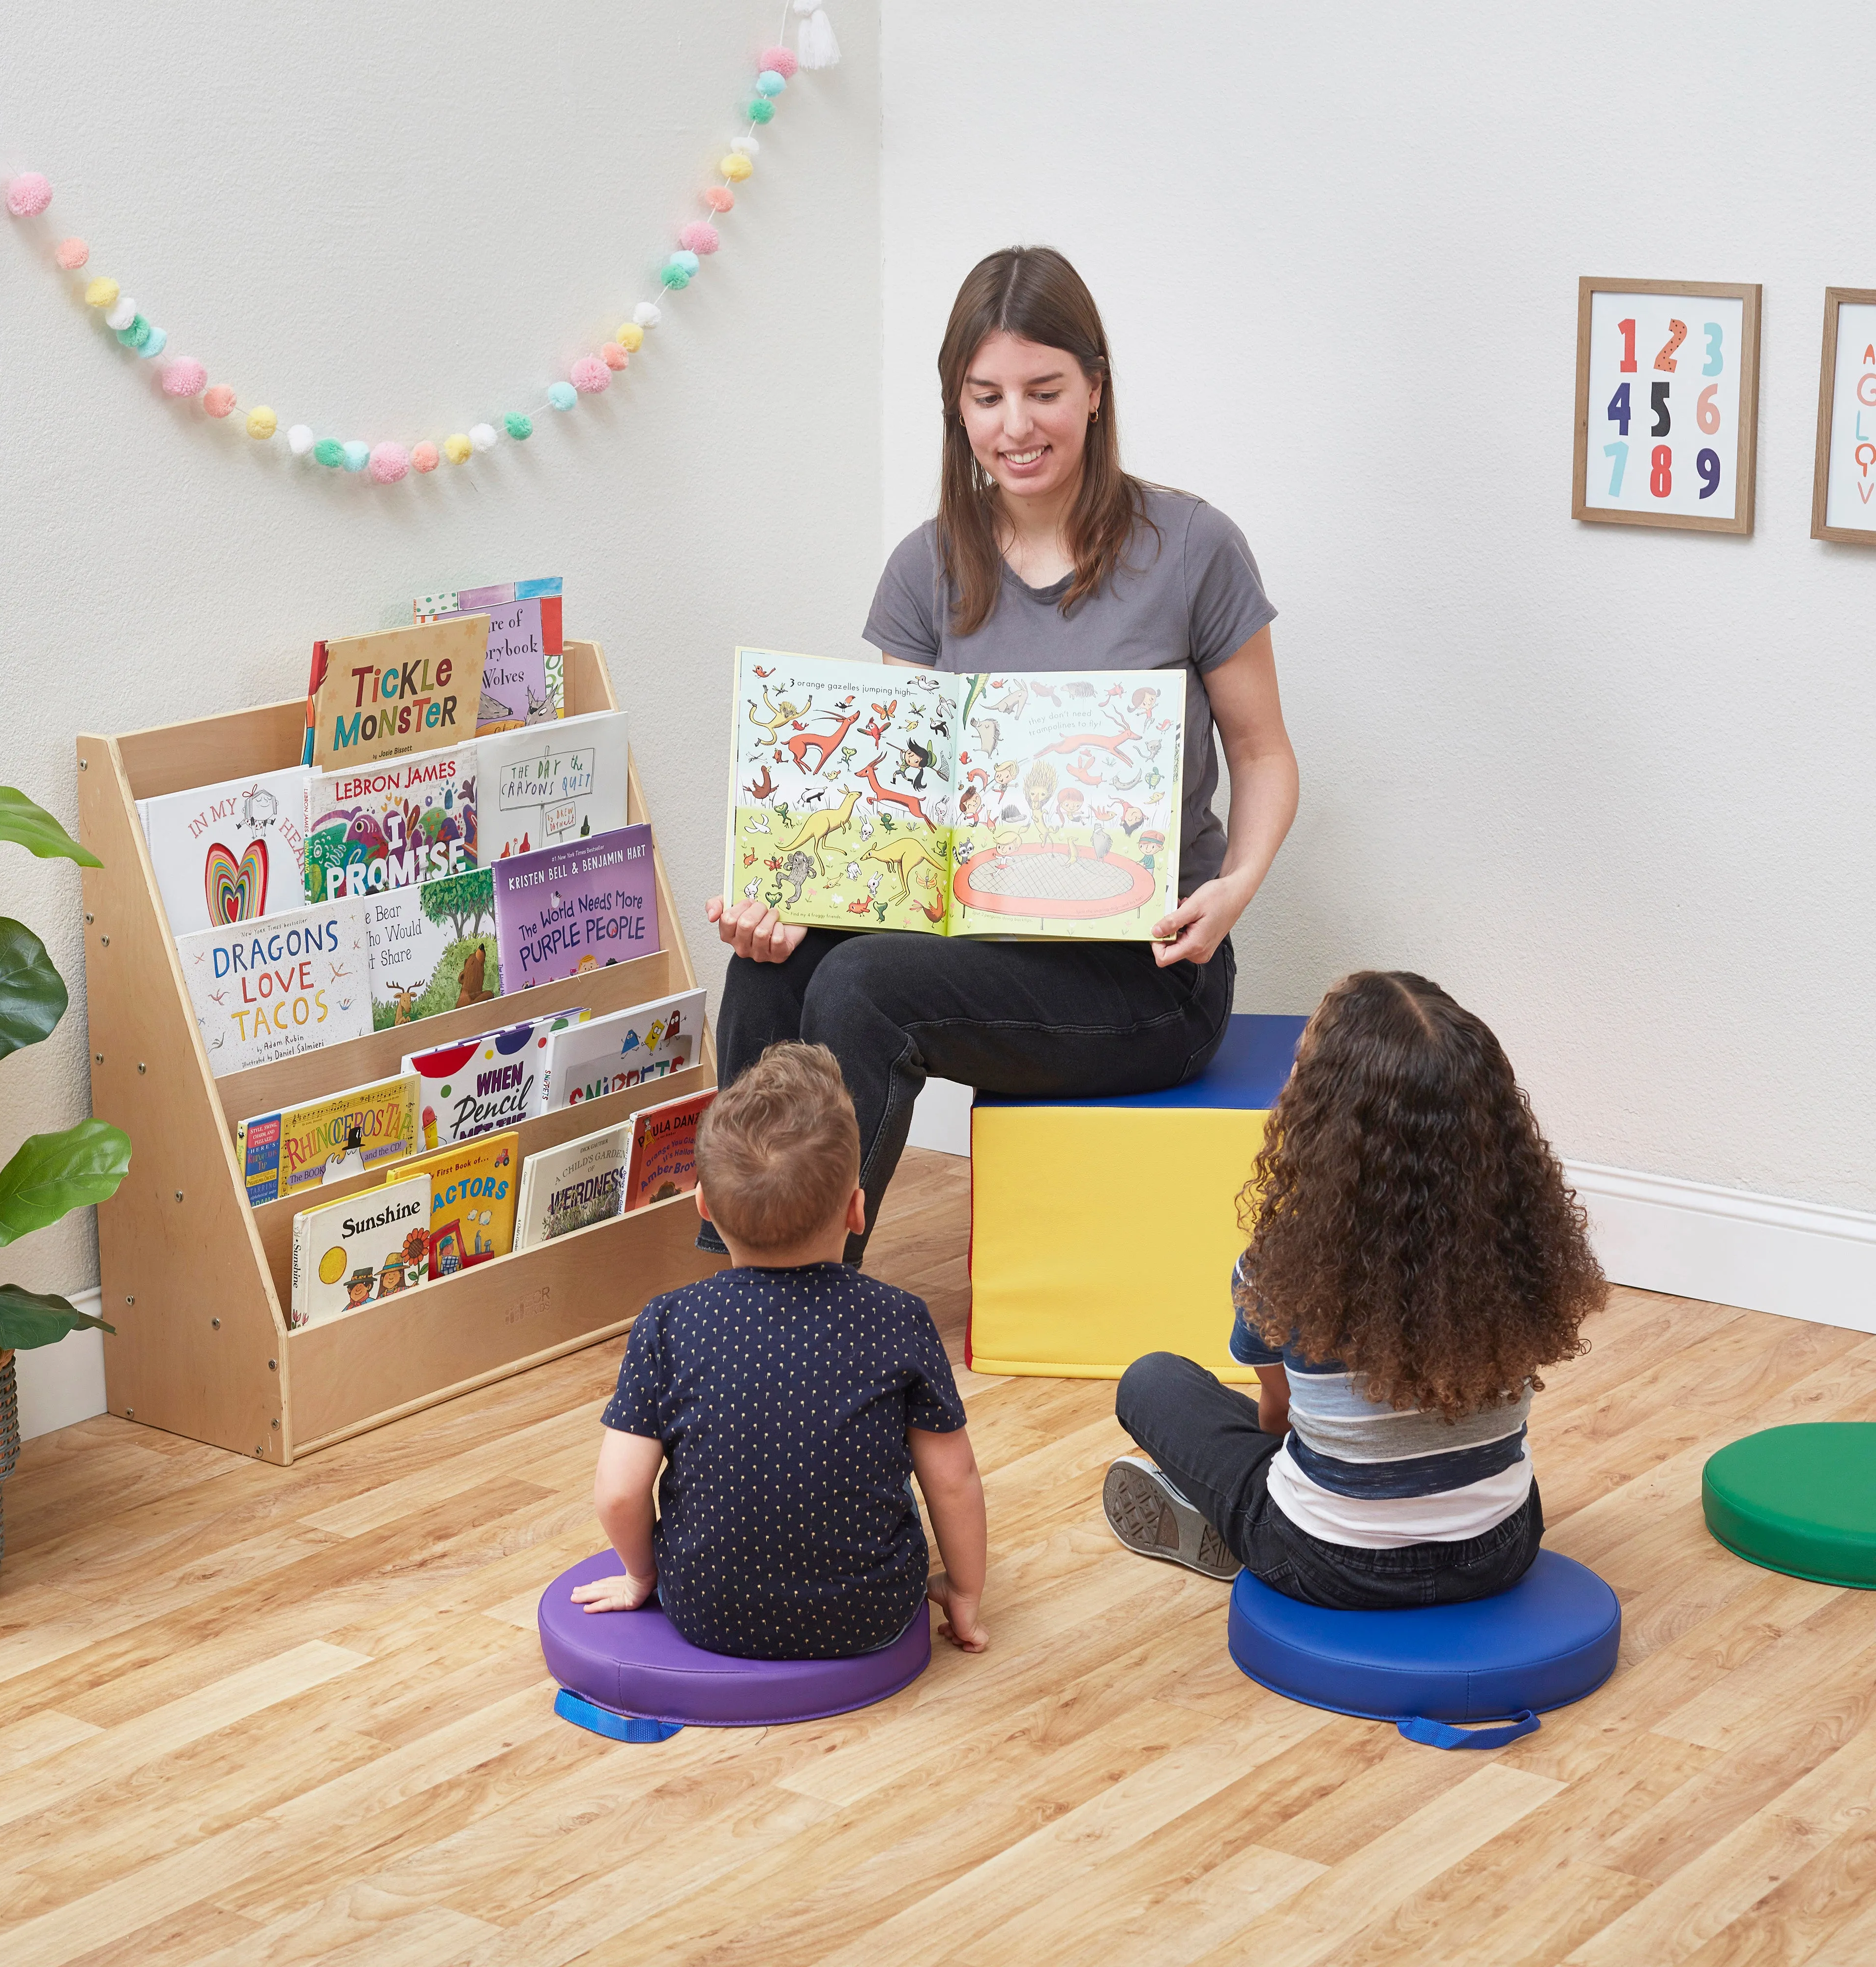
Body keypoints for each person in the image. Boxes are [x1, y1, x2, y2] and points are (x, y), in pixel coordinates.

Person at [705, 245, 1299, 1265]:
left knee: (861, 988)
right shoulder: (925, 565)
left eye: (1043, 391)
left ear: (1096, 390)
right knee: (776, 967)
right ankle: (736, 1284)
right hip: (989, 945)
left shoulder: (1194, 549)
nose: (1015, 426)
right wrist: (790, 899)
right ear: (956, 407)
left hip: (1148, 972)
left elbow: (1262, 752)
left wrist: (1234, 887)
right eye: (985, 397)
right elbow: (900, 816)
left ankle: (809, 1303)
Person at [1107, 972, 1607, 1610]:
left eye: (1300, 1067)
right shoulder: (1524, 1246)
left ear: (1330, 1118)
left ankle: (1234, 1529)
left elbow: (1278, 1419)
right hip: (1501, 1549)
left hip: (1329, 1566)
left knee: (1155, 1382)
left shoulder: (1282, 1264)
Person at [572, 1042, 989, 1658]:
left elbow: (617, 1492)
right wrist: (964, 1590)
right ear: (857, 1209)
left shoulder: (667, 1323)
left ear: (704, 1210)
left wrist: (643, 1576)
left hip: (704, 1609)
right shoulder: (900, 1318)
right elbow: (953, 1482)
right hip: (868, 1612)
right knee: (887, 1477)